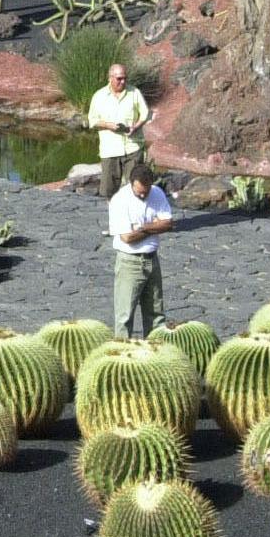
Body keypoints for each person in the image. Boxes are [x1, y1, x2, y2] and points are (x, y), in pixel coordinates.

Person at [109, 163, 172, 339]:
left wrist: (142, 228)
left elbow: (168, 223)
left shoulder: (157, 193)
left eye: (146, 191)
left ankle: (155, 350)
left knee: (156, 312)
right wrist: (154, 227)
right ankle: (122, 356)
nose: (144, 195)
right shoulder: (120, 200)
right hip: (130, 261)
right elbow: (127, 238)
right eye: (139, 192)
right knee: (125, 315)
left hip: (152, 259)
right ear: (131, 184)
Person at [87, 63, 151, 199]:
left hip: (133, 147)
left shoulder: (134, 92)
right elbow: (92, 121)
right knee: (108, 189)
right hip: (110, 149)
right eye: (119, 79)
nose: (123, 82)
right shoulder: (99, 96)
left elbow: (145, 113)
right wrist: (108, 125)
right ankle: (113, 216)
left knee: (134, 187)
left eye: (125, 78)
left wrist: (137, 126)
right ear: (110, 78)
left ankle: (134, 218)